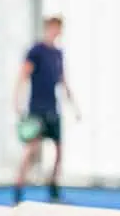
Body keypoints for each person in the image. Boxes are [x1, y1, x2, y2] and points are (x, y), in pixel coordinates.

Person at [13, 16, 79, 205]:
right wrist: (16, 101)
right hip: (37, 109)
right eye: (53, 27)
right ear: (47, 28)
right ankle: (18, 190)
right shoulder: (36, 51)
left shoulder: (58, 54)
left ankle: (54, 190)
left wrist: (74, 106)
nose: (56, 31)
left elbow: (63, 81)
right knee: (31, 149)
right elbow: (23, 75)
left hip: (53, 109)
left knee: (59, 151)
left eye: (58, 28)